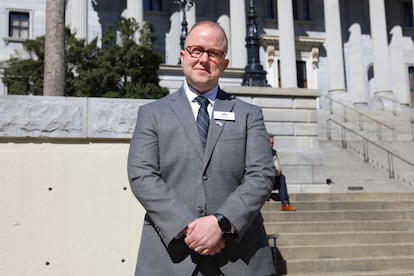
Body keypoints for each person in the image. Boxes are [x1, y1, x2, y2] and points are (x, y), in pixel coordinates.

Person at [127, 21, 276, 275]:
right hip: (170, 256)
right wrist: (191, 227)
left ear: (225, 63)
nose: (203, 59)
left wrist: (221, 223)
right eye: (196, 50)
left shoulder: (249, 115)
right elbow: (142, 175)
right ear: (183, 56)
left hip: (239, 258)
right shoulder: (152, 114)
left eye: (214, 53)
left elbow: (261, 176)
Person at [268, 133, 296, 211]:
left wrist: (276, 171)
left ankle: (285, 204)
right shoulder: (259, 153)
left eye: (272, 143)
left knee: (282, 177)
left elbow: (279, 169)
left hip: (271, 180)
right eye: (269, 143)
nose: (271, 145)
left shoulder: (274, 153)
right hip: (261, 181)